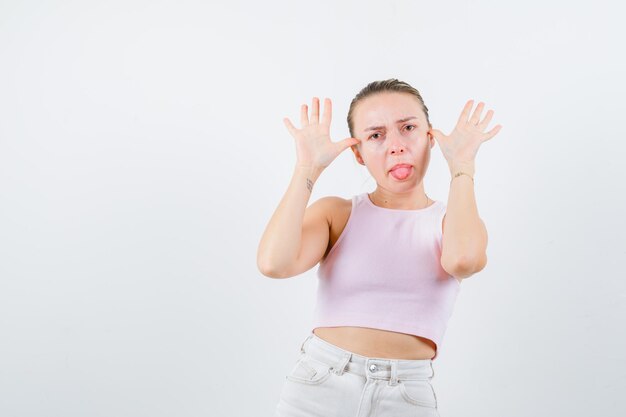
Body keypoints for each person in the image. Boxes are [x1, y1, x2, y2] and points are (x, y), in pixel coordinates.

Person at [257, 78, 502, 417]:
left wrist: (462, 167)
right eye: (376, 135)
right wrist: (307, 169)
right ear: (357, 153)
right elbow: (274, 263)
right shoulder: (338, 214)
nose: (397, 146)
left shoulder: (452, 222)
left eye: (408, 128)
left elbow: (464, 260)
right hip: (319, 385)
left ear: (431, 137)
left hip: (406, 396)